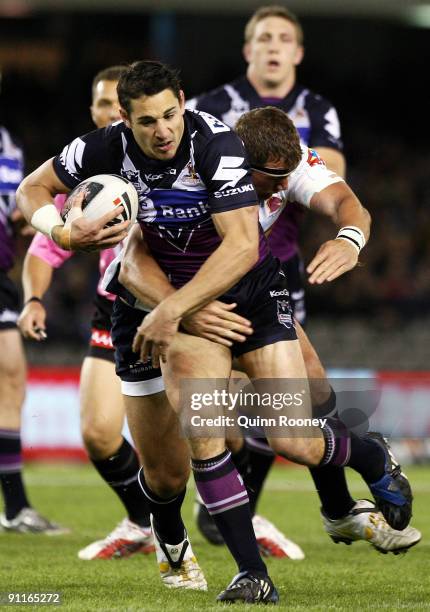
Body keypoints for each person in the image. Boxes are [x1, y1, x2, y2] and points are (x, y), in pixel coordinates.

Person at [17, 61, 412, 605]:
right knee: (172, 467)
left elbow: (243, 247)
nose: (162, 131)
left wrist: (349, 238)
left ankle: (363, 465)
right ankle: (239, 568)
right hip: (161, 303)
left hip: (244, 290)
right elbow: (45, 199)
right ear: (125, 122)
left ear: (184, 101)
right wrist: (58, 228)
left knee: (292, 434)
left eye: (170, 115)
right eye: (147, 121)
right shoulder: (102, 151)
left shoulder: (219, 145)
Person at [186, 3, 360, 538]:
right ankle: (232, 505)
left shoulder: (316, 108)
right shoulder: (209, 105)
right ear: (248, 50)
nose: (273, 46)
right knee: (245, 392)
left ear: (298, 52)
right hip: (219, 265)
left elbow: (328, 178)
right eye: (263, 38)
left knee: (299, 392)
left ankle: (245, 509)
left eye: (284, 38)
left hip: (279, 264)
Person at [17, 66, 155, 560]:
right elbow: (41, 249)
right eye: (98, 104)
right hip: (114, 306)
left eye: (112, 104)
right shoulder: (85, 180)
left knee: (206, 432)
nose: (106, 112)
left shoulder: (174, 158)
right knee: (99, 434)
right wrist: (33, 299)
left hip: (178, 307)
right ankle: (144, 523)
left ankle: (233, 515)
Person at [0, 77, 67, 534]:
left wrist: (24, 222)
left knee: (10, 376)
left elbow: (13, 209)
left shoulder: (9, 142)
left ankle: (15, 507)